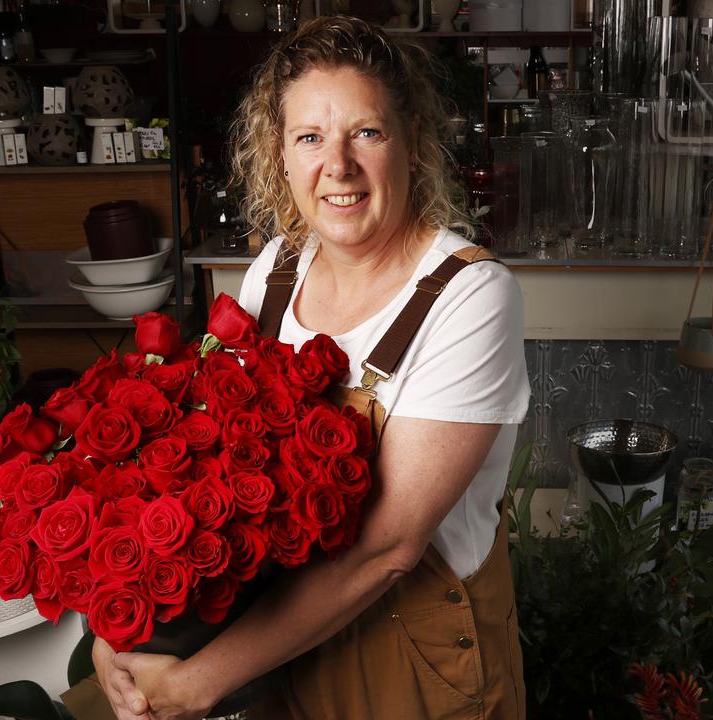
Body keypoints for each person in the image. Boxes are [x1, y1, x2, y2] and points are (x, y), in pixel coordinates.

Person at [92, 16, 530, 720]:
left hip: (413, 665)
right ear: (282, 157)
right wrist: (119, 633)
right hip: (276, 652)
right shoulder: (273, 273)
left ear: (411, 142)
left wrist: (202, 681)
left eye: (366, 133)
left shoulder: (471, 296)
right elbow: (200, 472)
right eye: (309, 138)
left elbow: (386, 548)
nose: (338, 166)